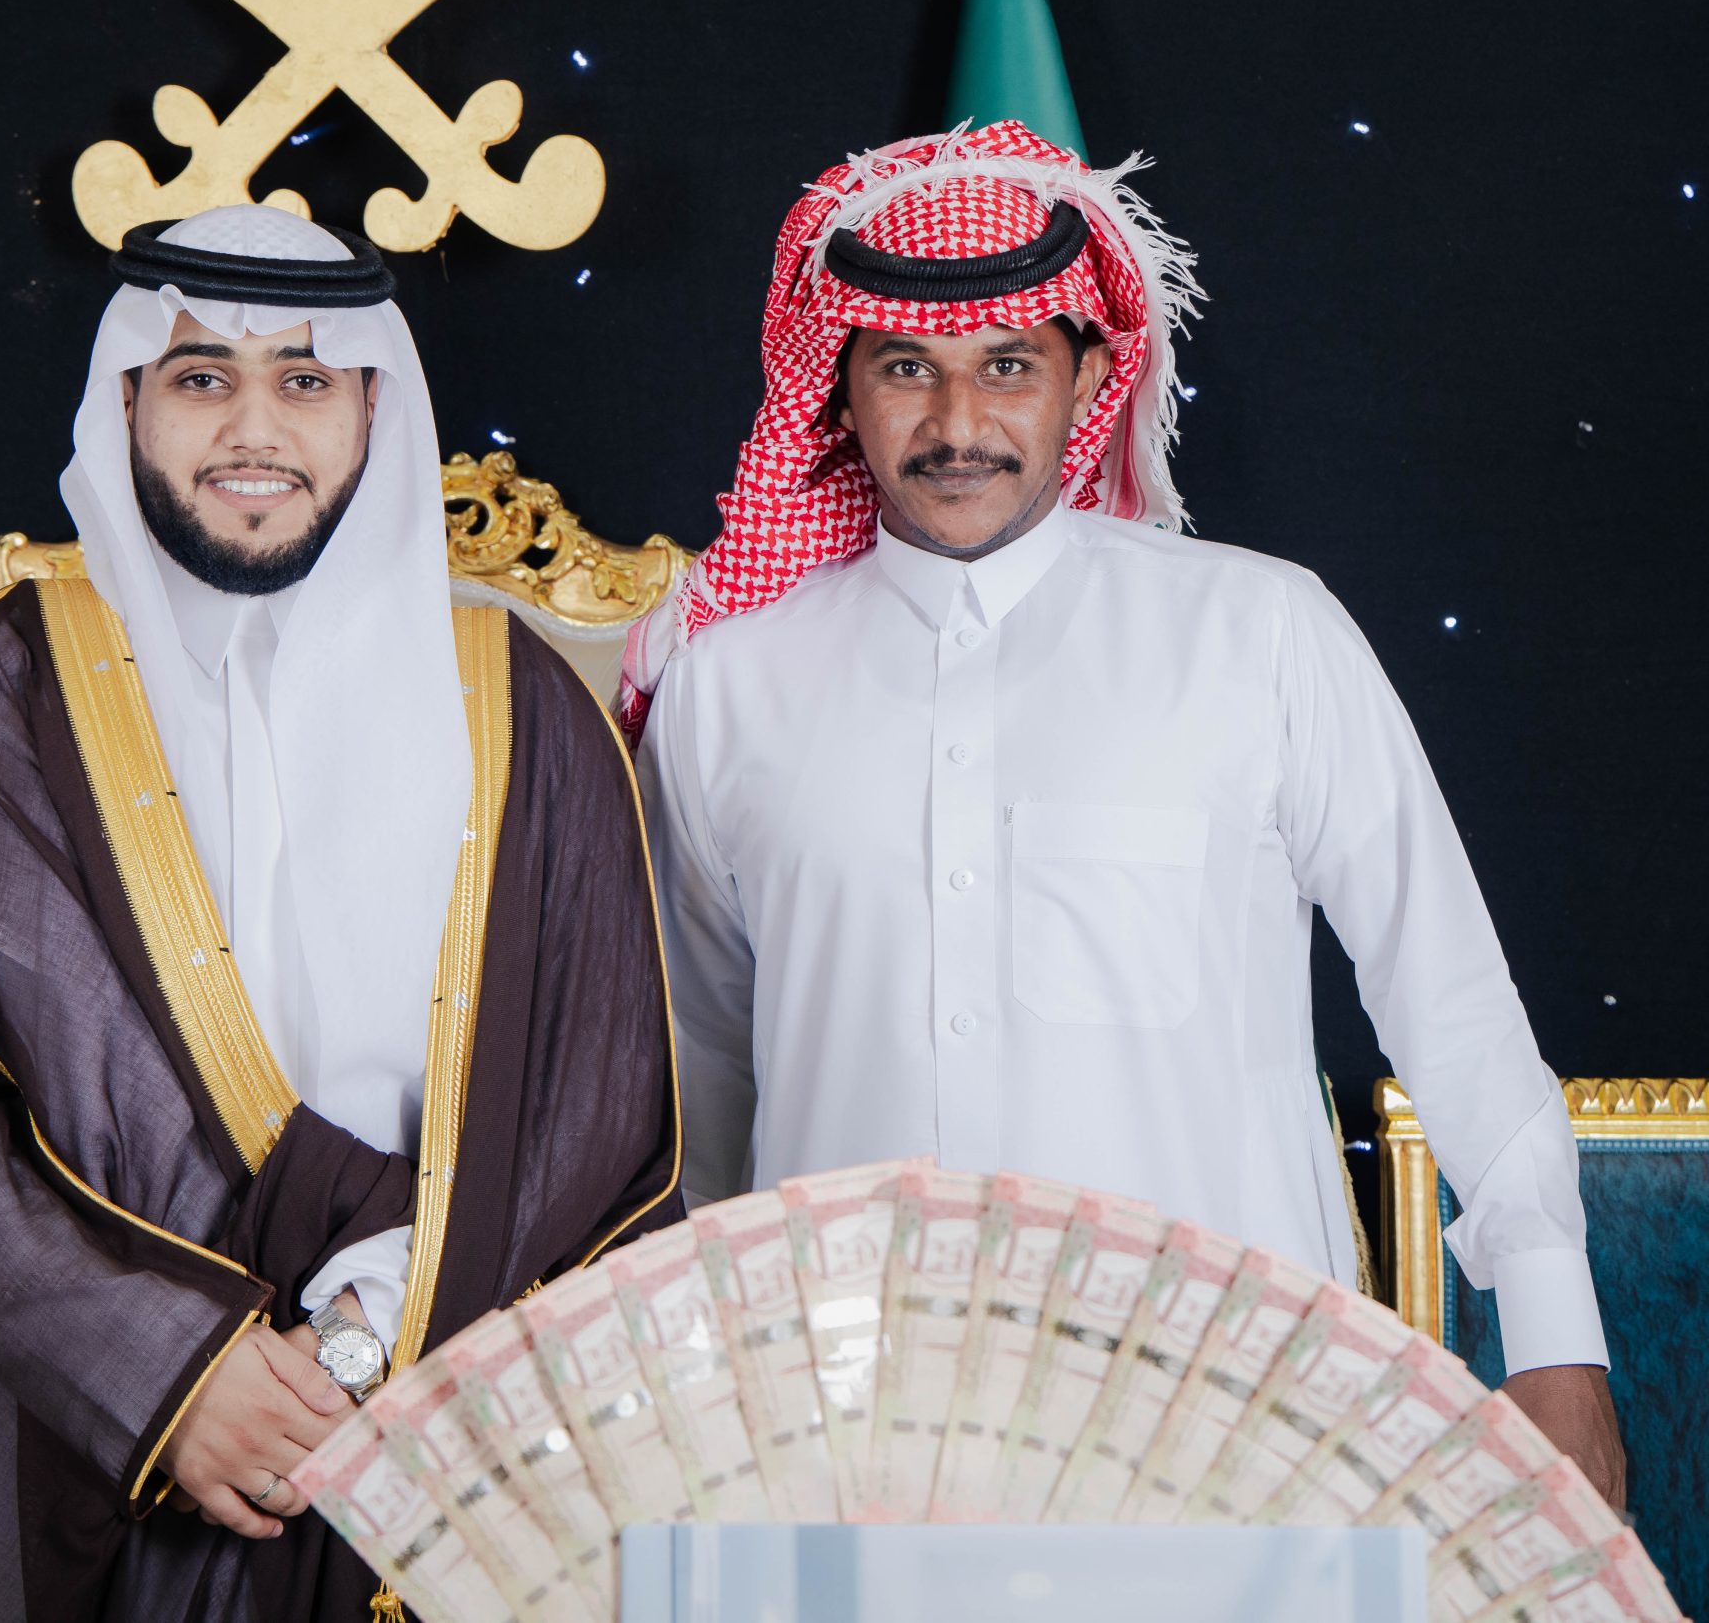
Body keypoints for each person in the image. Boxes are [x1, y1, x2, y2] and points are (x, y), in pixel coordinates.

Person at [630, 120, 1626, 1506]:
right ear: (839, 388)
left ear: (1091, 375)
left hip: (1227, 1440)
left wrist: (1556, 1339)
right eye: (906, 367)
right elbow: (706, 1077)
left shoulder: (1261, 633)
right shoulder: (729, 687)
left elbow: (1446, 991)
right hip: (850, 1447)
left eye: (1008, 366)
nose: (957, 425)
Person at [0, 204, 680, 1622]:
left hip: (438, 1400)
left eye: (305, 379)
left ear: (372, 408)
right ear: (128, 403)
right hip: (97, 1428)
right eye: (204, 376)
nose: (254, 429)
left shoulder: (523, 709)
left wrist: (369, 1334)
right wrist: (163, 1372)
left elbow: (600, 1096)